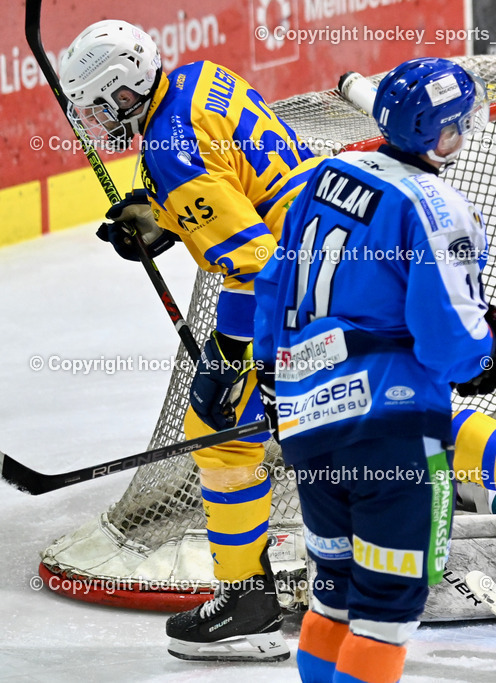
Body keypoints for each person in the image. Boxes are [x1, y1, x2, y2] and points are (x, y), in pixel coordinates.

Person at [253, 56, 496, 683]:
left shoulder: (318, 178)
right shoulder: (433, 206)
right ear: (442, 136)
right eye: (460, 124)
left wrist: (276, 381)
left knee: (336, 589)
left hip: (305, 425)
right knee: (386, 606)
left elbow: (270, 289)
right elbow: (446, 344)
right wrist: (485, 354)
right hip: (390, 425)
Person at [59, 20, 324, 661]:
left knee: (219, 424)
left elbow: (254, 264)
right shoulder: (202, 76)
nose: (94, 121)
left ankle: (248, 603)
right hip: (330, 246)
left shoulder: (166, 153)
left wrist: (239, 358)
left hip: (294, 283)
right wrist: (166, 213)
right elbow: (235, 176)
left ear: (124, 92)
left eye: (97, 106)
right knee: (384, 403)